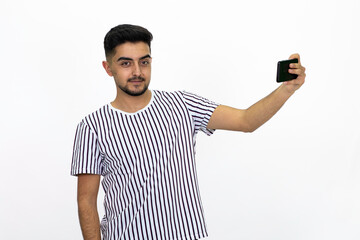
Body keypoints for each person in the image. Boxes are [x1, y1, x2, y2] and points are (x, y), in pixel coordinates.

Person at [71, 24, 306, 240]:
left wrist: (286, 90)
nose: (137, 72)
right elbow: (86, 202)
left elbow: (246, 121)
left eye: (144, 62)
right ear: (108, 67)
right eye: (125, 63)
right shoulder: (92, 127)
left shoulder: (183, 104)